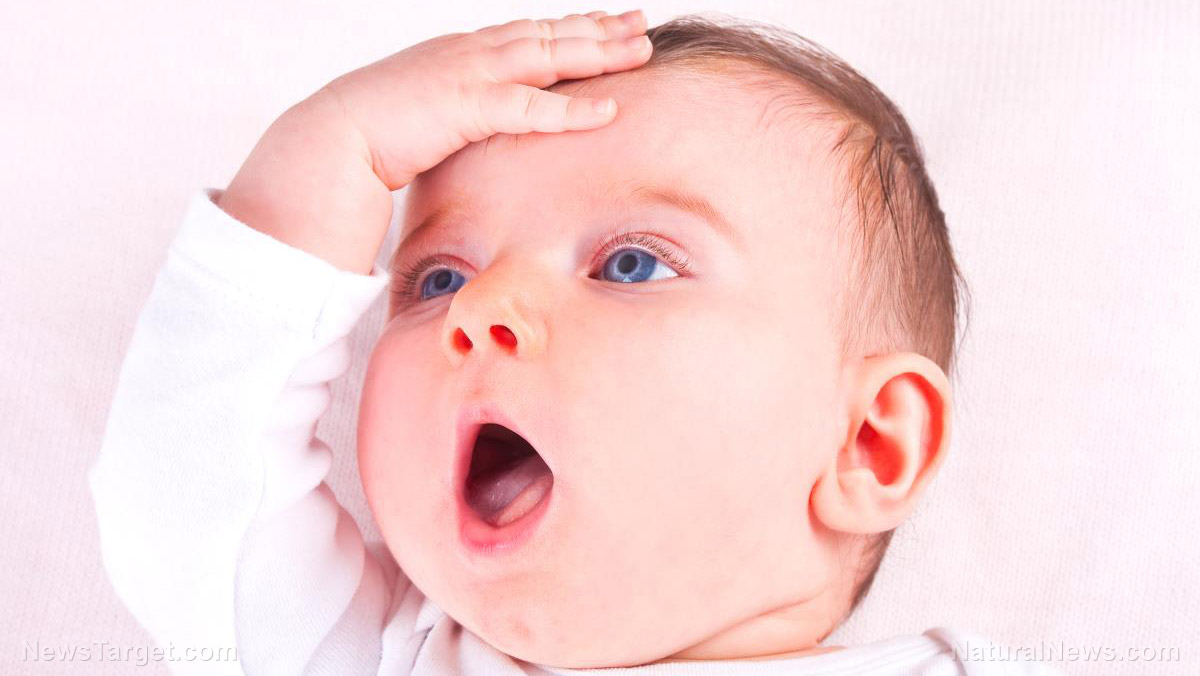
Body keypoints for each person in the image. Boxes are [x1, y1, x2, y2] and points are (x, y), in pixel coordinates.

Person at [90, 8, 1059, 674]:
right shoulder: (367, 649)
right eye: (437, 279)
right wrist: (329, 152)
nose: (480, 307)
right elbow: (191, 491)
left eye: (630, 264)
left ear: (867, 445)